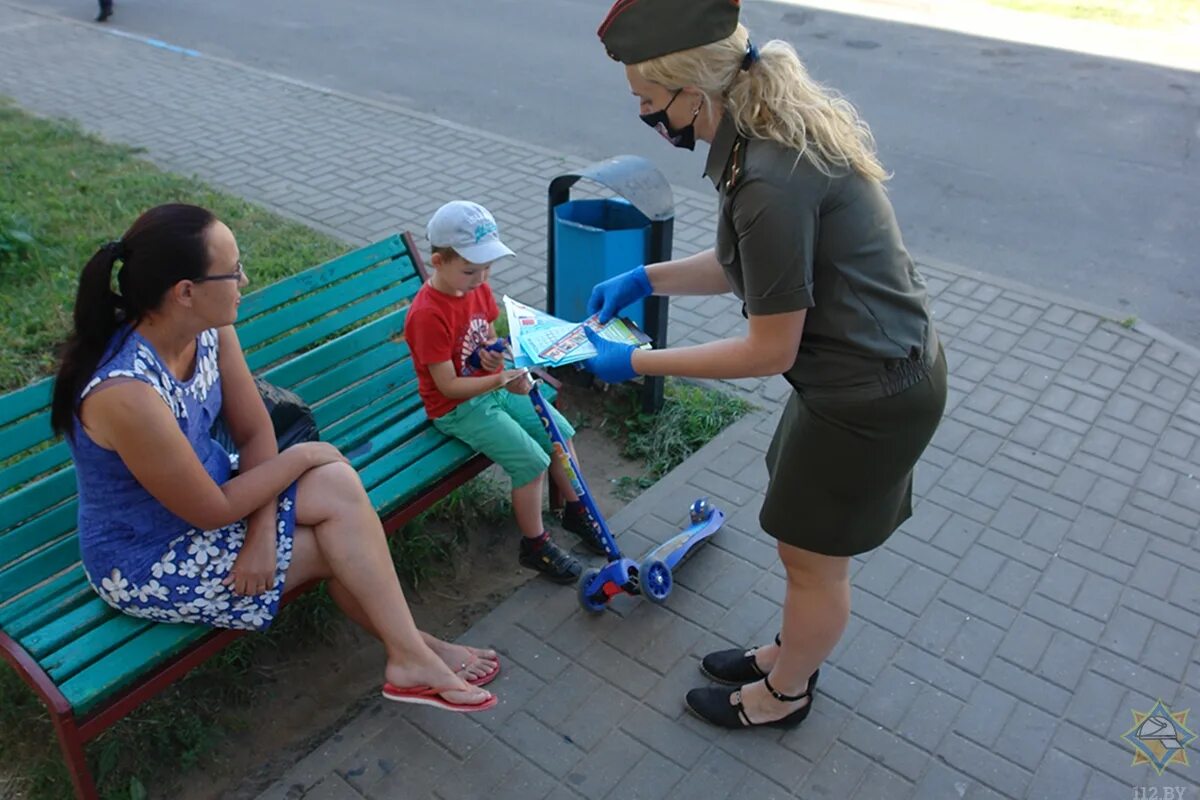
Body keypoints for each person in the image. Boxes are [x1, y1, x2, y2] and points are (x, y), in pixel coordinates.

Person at [586, 0, 948, 730]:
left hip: (865, 395)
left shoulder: (769, 177)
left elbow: (767, 348)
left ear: (695, 92)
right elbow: (748, 265)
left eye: (649, 101)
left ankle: (784, 694)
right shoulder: (761, 132)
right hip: (855, 379)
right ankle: (791, 652)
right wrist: (648, 279)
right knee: (799, 540)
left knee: (813, 563)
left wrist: (641, 361)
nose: (647, 116)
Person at [51, 204, 497, 714]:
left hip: (218, 497)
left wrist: (263, 534)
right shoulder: (127, 393)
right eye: (232, 270)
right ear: (186, 292)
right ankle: (417, 651)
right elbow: (211, 509)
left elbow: (254, 428)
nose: (244, 279)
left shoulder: (208, 327)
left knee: (335, 481)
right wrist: (302, 454)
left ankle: (410, 655)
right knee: (339, 538)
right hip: (152, 555)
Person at [404, 201, 607, 585]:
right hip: (456, 407)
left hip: (491, 388)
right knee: (530, 463)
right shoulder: (427, 314)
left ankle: (578, 510)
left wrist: (495, 358)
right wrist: (499, 379)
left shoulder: (476, 290)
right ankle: (536, 545)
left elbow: (486, 338)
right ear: (437, 261)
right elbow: (447, 386)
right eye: (469, 269)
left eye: (487, 267)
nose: (480, 278)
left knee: (558, 431)